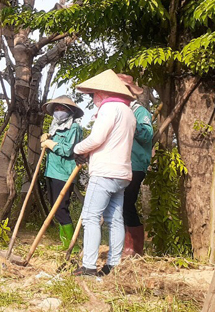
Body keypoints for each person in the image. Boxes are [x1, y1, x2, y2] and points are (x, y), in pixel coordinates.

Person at [72, 69, 137, 277]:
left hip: (105, 172)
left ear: (102, 92)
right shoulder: (128, 111)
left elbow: (97, 139)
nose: (93, 98)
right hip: (122, 173)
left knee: (91, 217)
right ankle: (113, 265)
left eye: (93, 94)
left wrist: (77, 149)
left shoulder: (109, 109)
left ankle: (89, 266)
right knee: (115, 219)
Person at [40, 95, 84, 249]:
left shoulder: (74, 128)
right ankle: (64, 242)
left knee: (61, 209)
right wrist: (47, 139)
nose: (59, 111)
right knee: (54, 208)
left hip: (65, 174)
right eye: (57, 109)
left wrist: (51, 143)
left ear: (70, 111)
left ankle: (72, 245)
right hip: (52, 172)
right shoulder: (55, 127)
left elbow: (67, 150)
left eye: (63, 109)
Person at [117, 73, 153, 257]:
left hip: (135, 164)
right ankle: (123, 245)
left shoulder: (139, 112)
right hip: (118, 163)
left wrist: (130, 122)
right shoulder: (114, 110)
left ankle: (134, 247)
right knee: (118, 204)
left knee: (126, 203)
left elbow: (147, 135)